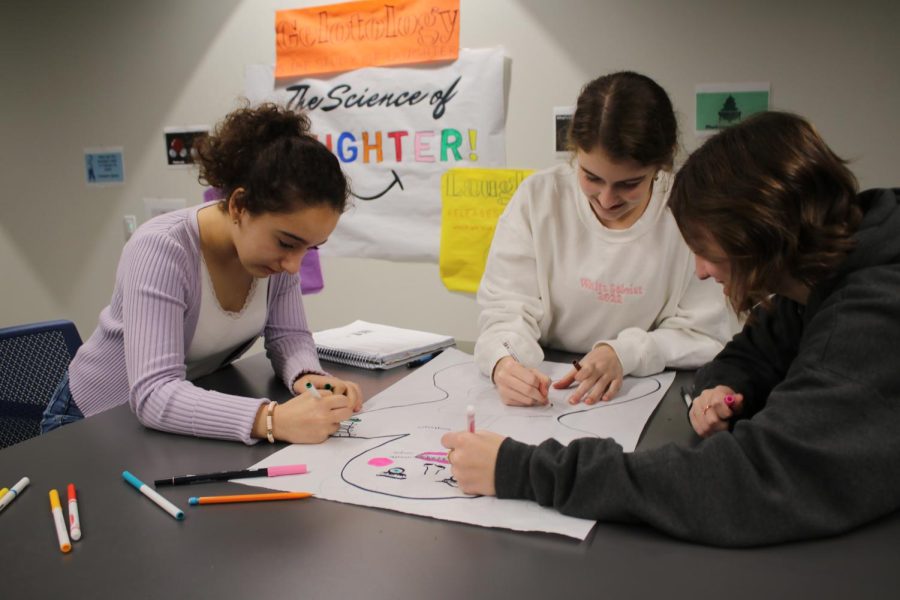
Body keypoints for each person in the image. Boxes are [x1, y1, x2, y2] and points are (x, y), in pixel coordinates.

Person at [442, 111, 900, 547]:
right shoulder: (824, 274)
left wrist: (524, 470)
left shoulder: (870, 319)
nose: (700, 271)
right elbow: (753, 351)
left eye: (708, 252)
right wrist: (727, 385)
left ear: (765, 237)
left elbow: (748, 485)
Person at [41, 103, 363, 445]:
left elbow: (288, 337)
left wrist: (310, 378)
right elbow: (153, 393)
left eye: (310, 248)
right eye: (287, 243)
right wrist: (272, 419)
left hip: (169, 417)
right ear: (239, 205)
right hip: (90, 423)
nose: (294, 265)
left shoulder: (272, 257)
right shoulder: (161, 248)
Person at [475, 71, 739, 407]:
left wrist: (625, 352)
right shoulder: (538, 198)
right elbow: (504, 308)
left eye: (629, 184)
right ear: (574, 153)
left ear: (661, 164)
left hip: (642, 392)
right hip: (551, 388)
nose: (607, 199)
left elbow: (705, 333)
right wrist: (504, 362)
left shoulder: (687, 212)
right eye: (591, 177)